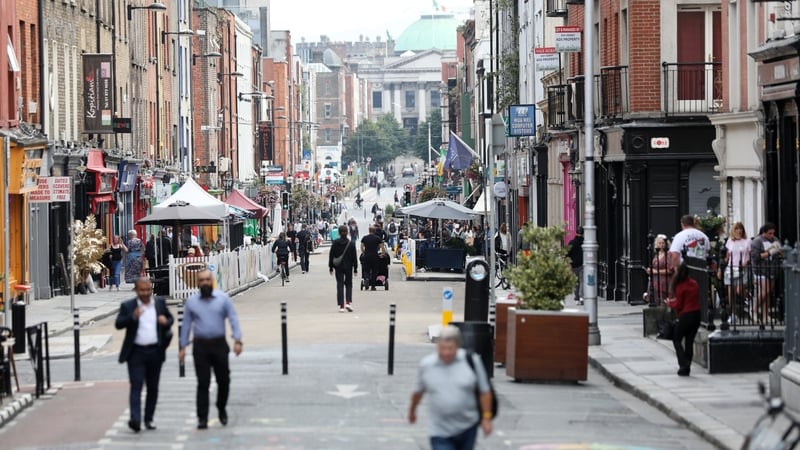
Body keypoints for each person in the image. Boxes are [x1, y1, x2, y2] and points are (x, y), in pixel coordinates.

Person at [408, 325, 493, 449]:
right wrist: (412, 411)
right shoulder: (427, 365)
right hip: (439, 430)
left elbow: (484, 391)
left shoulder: (471, 361)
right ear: (437, 347)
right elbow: (418, 392)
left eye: (450, 349)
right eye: (442, 348)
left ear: (458, 347)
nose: (446, 352)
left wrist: (486, 418)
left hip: (467, 426)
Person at [179, 269, 243, 430]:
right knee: (203, 382)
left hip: (219, 345)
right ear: (198, 283)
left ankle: (221, 407)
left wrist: (237, 339)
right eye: (202, 280)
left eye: (208, 279)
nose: (205, 282)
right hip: (200, 347)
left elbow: (233, 318)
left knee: (224, 380)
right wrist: (182, 346)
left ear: (212, 280)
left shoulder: (223, 299)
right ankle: (202, 417)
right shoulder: (192, 302)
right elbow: (186, 325)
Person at [115, 277, 174, 432]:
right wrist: (133, 316)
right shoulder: (128, 306)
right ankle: (135, 419)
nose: (146, 293)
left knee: (153, 387)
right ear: (136, 290)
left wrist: (165, 322)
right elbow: (119, 324)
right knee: (136, 385)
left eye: (148, 290)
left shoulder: (159, 303)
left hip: (155, 351)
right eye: (142, 290)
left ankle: (149, 419)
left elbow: (170, 319)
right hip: (136, 353)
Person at [665, 263, 701, 376]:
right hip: (697, 314)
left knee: (676, 339)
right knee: (689, 341)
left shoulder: (680, 286)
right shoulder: (694, 284)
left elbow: (679, 305)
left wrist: (669, 303)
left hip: (686, 315)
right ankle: (687, 365)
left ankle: (683, 364)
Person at [750, 223, 782, 325]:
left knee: (768, 293)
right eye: (769, 233)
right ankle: (753, 309)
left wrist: (779, 250)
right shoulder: (757, 241)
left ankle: (765, 315)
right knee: (765, 290)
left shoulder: (775, 239)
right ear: (763, 233)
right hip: (761, 270)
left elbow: (781, 252)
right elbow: (756, 257)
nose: (772, 235)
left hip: (772, 269)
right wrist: (769, 252)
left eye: (773, 233)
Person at [720, 222, 750, 319]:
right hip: (731, 268)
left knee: (739, 289)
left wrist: (745, 264)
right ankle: (732, 314)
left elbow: (749, 256)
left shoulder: (747, 241)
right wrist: (720, 269)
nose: (739, 230)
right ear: (733, 230)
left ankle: (749, 299)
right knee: (730, 292)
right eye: (737, 229)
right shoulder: (730, 241)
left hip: (742, 268)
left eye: (740, 228)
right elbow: (727, 256)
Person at [329, 225, 358, 313]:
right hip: (349, 267)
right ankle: (348, 302)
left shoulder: (335, 243)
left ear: (339, 233)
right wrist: (355, 268)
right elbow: (354, 257)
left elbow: (331, 255)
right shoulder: (351, 244)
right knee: (349, 284)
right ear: (347, 233)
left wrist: (330, 267)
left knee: (340, 285)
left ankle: (341, 306)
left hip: (339, 267)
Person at [645, 234, 673, 303]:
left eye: (663, 243)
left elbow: (670, 270)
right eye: (659, 243)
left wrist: (656, 271)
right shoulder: (657, 254)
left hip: (664, 281)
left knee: (663, 301)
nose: (661, 245)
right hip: (654, 281)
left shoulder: (668, 255)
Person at [361, 226, 386, 291]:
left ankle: (366, 278)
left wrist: (364, 252)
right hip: (375, 256)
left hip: (367, 256)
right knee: (375, 271)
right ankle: (373, 286)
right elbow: (382, 247)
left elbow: (361, 246)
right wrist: (383, 253)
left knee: (366, 269)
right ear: (374, 231)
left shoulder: (365, 238)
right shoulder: (377, 238)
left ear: (369, 231)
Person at [566, 227, 584, 305]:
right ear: (583, 233)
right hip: (583, 265)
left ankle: (576, 298)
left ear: (576, 232)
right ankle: (581, 297)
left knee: (576, 283)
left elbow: (567, 254)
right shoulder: (585, 242)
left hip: (574, 266)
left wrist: (569, 264)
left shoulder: (571, 242)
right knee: (582, 281)